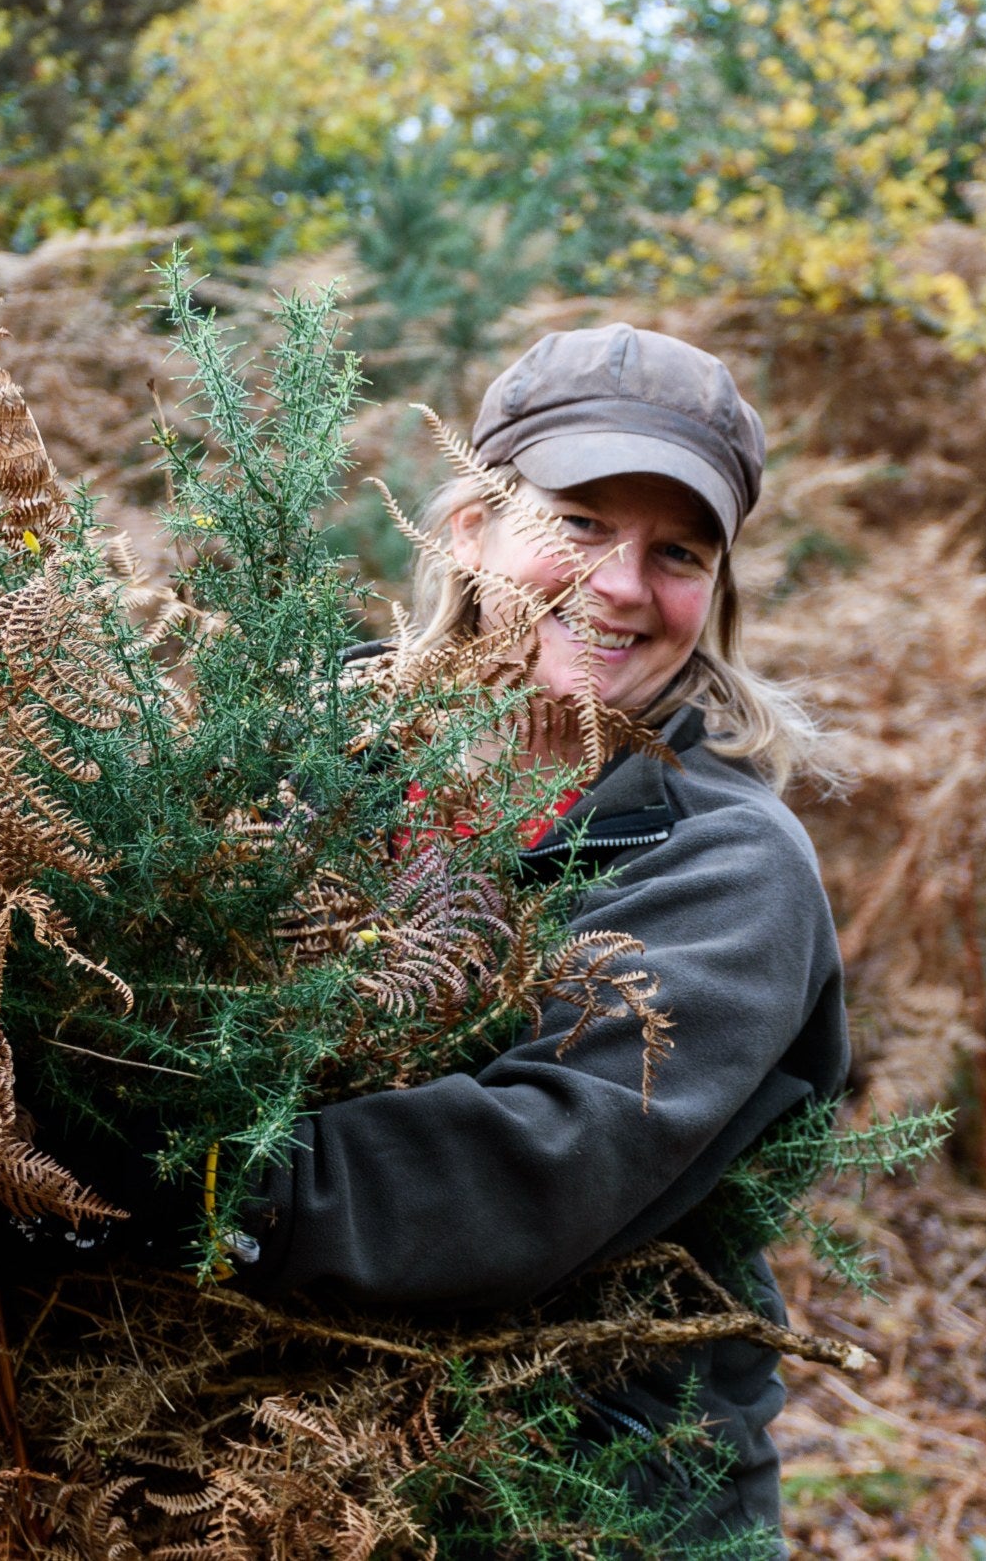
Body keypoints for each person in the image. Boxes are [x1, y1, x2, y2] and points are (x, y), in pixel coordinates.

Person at [70, 325, 848, 1552]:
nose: (621, 585)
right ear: (473, 528)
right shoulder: (310, 741)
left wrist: (203, 1181)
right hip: (253, 1462)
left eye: (678, 552)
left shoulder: (730, 861)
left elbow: (538, 1159)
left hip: (591, 1497)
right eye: (581, 523)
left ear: (716, 596)